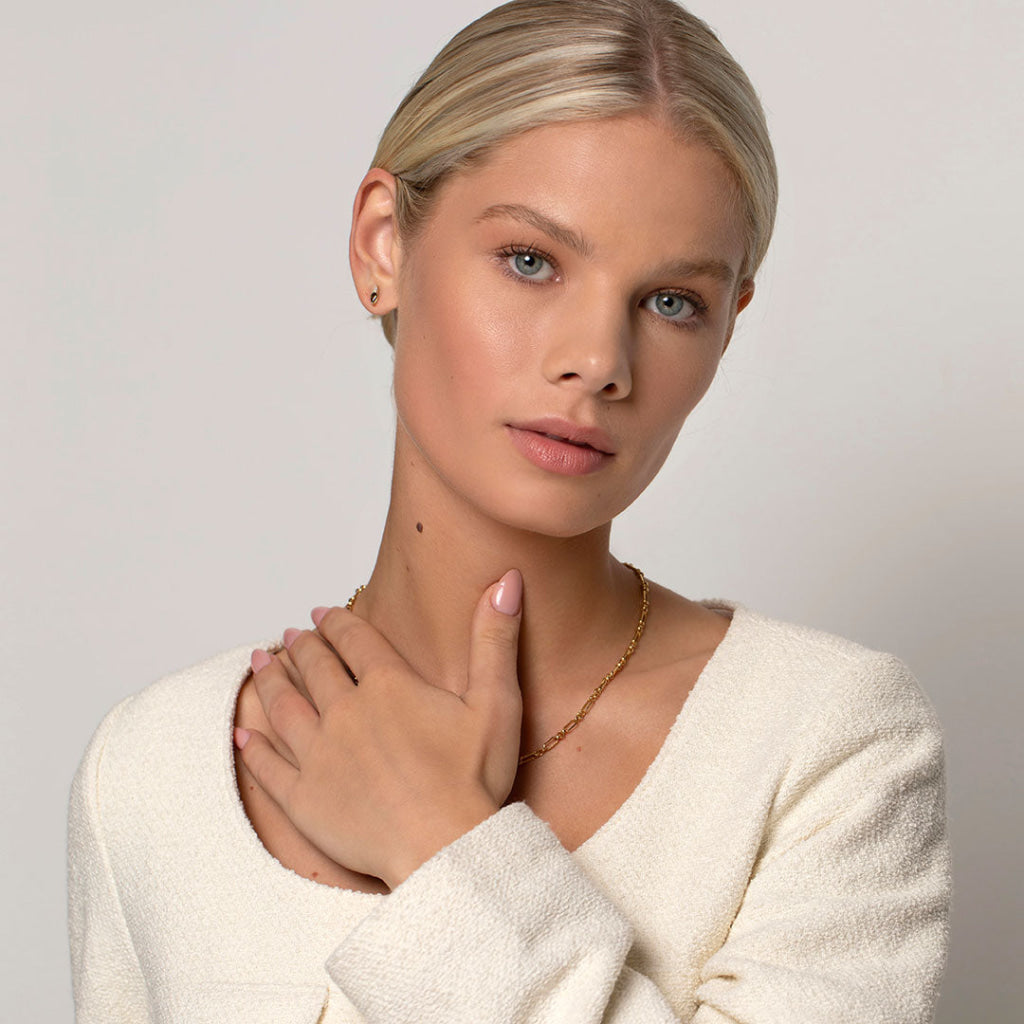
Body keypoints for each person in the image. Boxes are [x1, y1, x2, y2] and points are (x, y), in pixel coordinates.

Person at [66, 1, 951, 1020]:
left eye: (671, 301)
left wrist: (441, 843)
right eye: (531, 260)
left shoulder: (822, 746)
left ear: (726, 330)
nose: (599, 361)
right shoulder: (153, 770)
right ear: (381, 245)